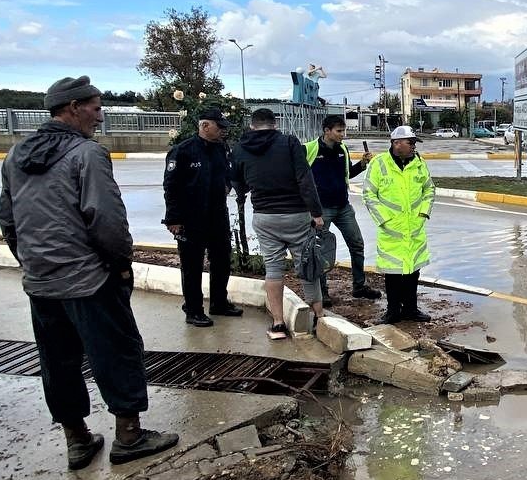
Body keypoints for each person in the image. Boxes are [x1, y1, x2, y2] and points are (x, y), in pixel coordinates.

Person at [0, 75, 178, 469]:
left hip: (41, 281)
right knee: (117, 351)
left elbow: (8, 221)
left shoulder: (16, 156)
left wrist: (31, 262)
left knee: (58, 360)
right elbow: (106, 220)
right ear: (73, 108)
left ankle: (78, 440)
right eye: (96, 108)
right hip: (89, 279)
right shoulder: (87, 154)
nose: (100, 116)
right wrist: (120, 264)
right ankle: (129, 435)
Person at [231, 108, 329, 339]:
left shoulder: (240, 147)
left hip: (264, 217)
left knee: (273, 269)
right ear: (275, 124)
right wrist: (316, 213)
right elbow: (305, 178)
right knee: (307, 266)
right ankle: (319, 316)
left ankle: (277, 324)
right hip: (296, 214)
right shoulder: (289, 142)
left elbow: (238, 182)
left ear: (252, 125)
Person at [162, 107, 242, 327]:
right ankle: (194, 309)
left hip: (217, 215)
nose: (223, 131)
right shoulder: (183, 151)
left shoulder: (221, 149)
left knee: (222, 260)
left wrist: (227, 186)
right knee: (192, 265)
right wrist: (173, 219)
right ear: (205, 126)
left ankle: (219, 302)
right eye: (220, 127)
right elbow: (171, 187)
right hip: (190, 218)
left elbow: (228, 174)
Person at [304, 115, 382, 306]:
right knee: (320, 250)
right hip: (321, 209)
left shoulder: (343, 150)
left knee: (357, 244)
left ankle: (359, 286)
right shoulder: (310, 149)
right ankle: (322, 292)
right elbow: (298, 177)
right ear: (327, 130)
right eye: (339, 131)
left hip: (343, 207)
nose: (342, 135)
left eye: (343, 130)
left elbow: (348, 174)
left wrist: (362, 164)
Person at [363, 125, 435, 325]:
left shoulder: (419, 163)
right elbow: (369, 194)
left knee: (413, 271)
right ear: (396, 144)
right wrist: (385, 220)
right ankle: (393, 311)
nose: (413, 146)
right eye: (410, 142)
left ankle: (411, 309)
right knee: (393, 273)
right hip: (391, 230)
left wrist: (423, 214)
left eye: (413, 143)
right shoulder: (379, 164)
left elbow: (429, 190)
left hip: (414, 228)